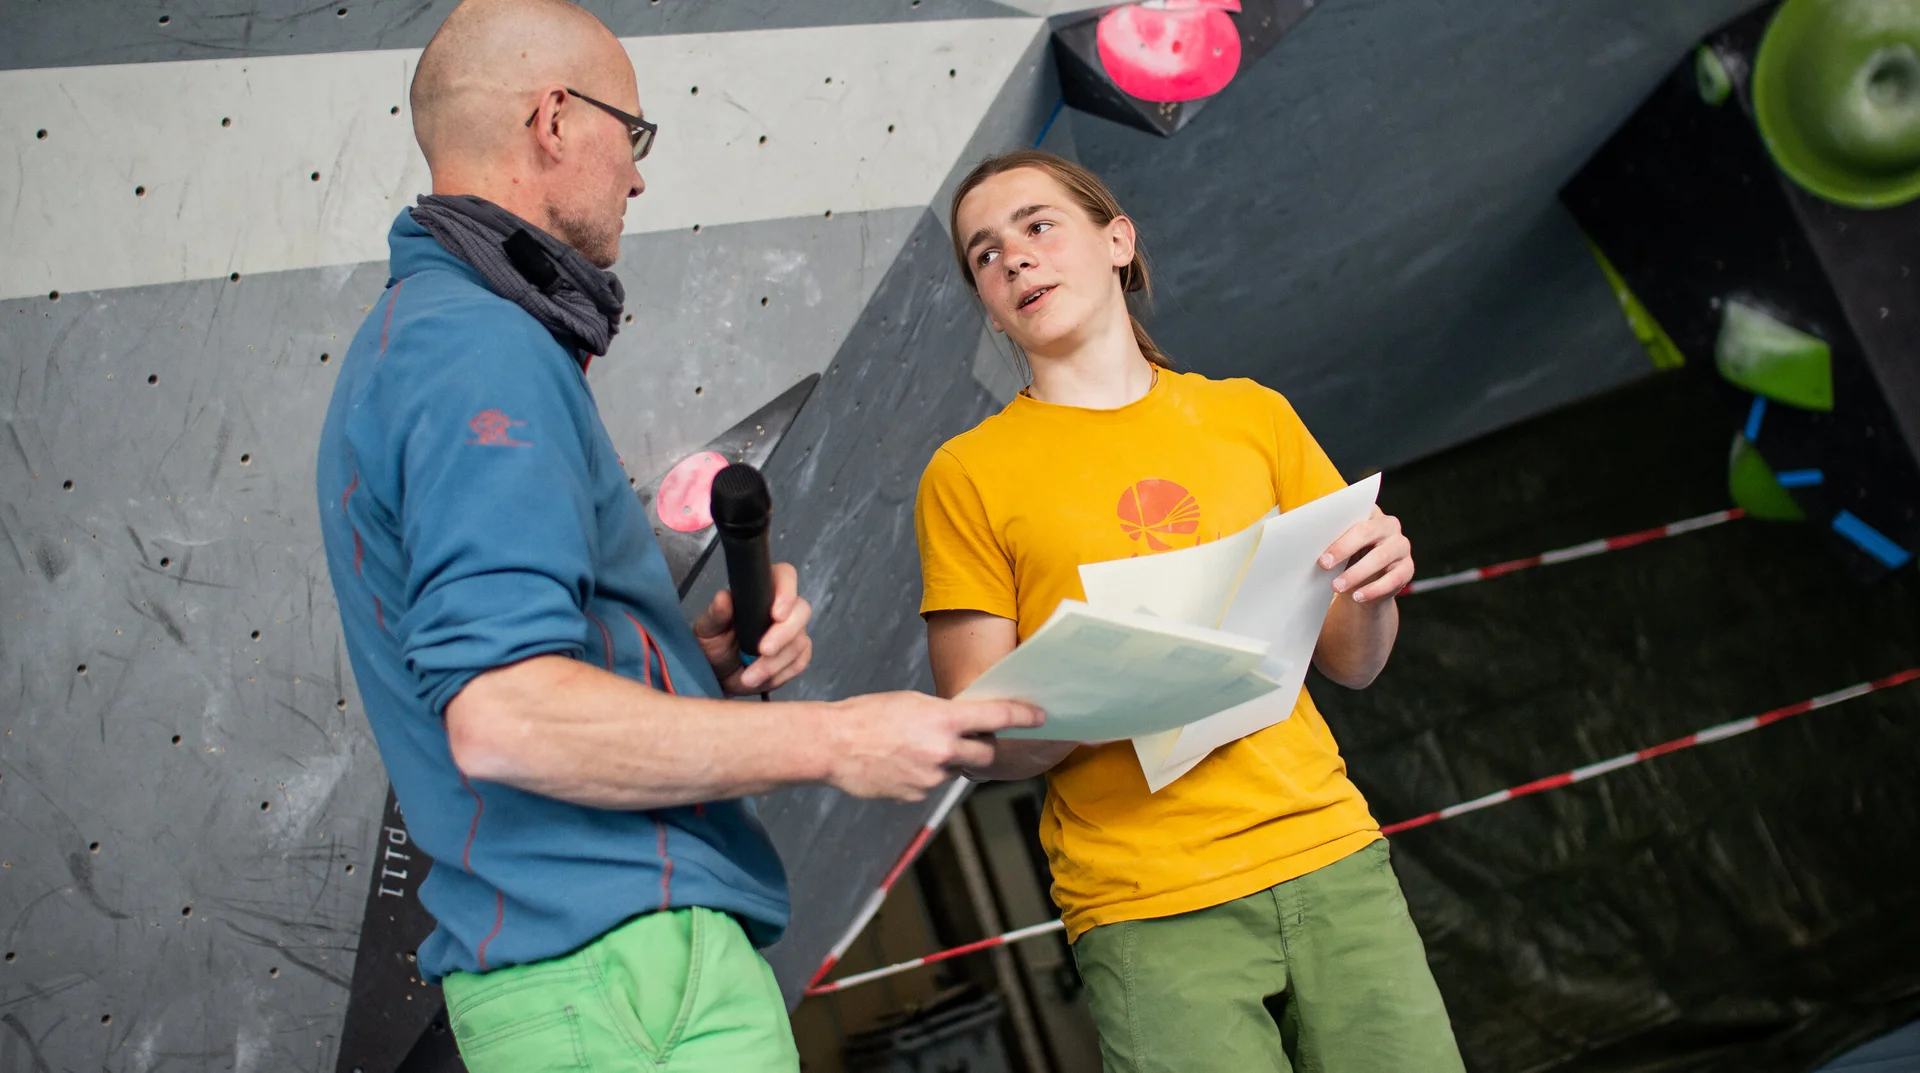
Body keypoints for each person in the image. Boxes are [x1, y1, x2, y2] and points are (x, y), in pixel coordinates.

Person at [314, 3, 1041, 1069]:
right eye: (633, 134)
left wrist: (676, 664)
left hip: (611, 964)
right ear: (555, 121)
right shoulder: (476, 355)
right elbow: (507, 716)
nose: (639, 177)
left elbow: (523, 676)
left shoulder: (452, 341)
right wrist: (840, 741)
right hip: (617, 977)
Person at [915, 150, 1466, 1073]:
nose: (1011, 258)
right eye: (983, 253)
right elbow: (979, 737)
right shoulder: (966, 474)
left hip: (1327, 849)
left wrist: (1372, 583)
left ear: (1118, 240)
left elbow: (1354, 661)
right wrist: (1110, 692)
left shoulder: (1252, 417)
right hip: (1145, 902)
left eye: (1037, 225)